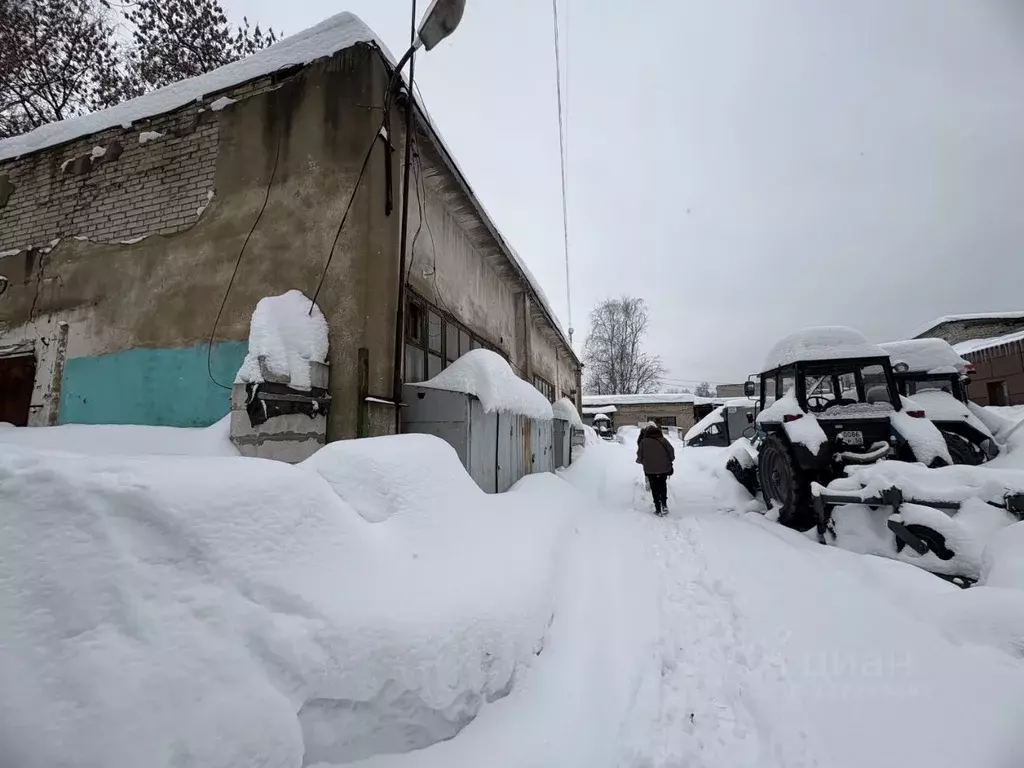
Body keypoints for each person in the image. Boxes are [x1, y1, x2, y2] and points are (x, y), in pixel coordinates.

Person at [637, 424, 675, 516]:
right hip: (664, 468)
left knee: (654, 487)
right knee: (662, 484)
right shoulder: (663, 440)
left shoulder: (643, 442)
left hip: (650, 469)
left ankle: (658, 508)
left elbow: (639, 456)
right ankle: (664, 505)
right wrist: (670, 459)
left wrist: (644, 462)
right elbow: (671, 451)